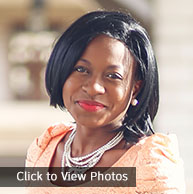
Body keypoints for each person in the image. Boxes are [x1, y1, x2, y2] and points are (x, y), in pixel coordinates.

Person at [25, 11, 185, 193]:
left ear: (135, 89)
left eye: (112, 76)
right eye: (81, 69)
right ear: (62, 70)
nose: (94, 88)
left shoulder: (149, 167)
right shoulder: (44, 148)